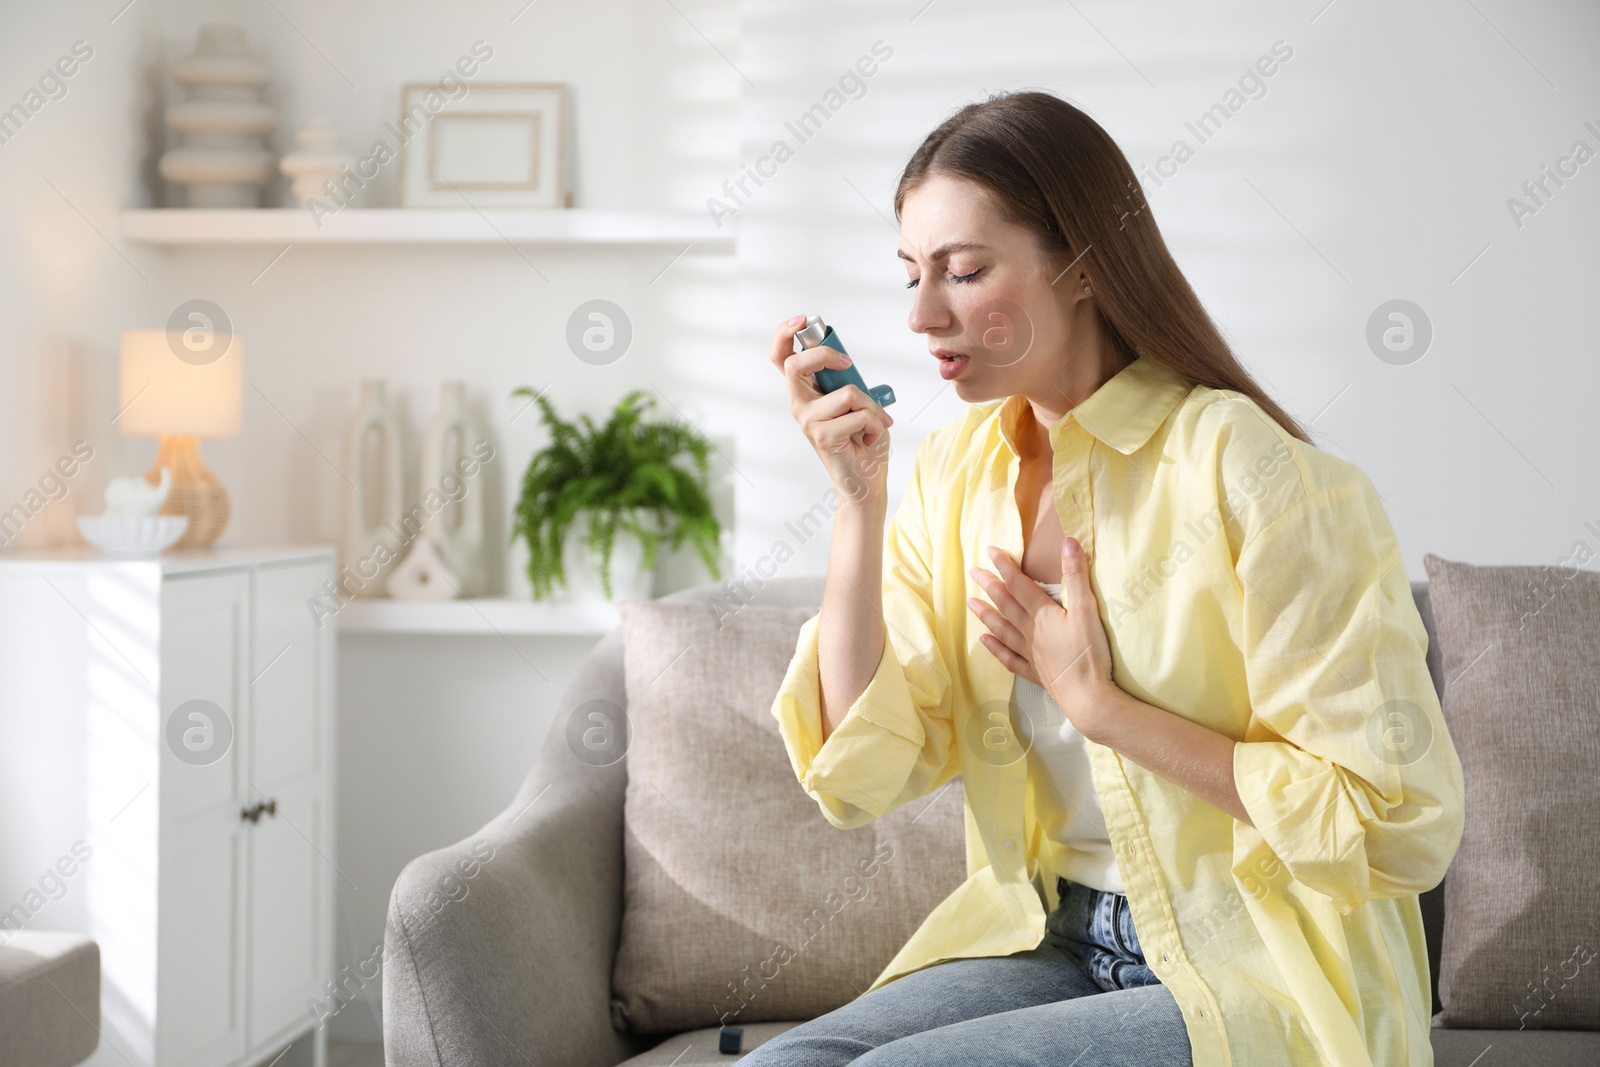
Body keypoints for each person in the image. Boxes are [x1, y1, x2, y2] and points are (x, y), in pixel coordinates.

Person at [754, 90, 1464, 1066]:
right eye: (912, 274)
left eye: (963, 271)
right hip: (1051, 937)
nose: (922, 314)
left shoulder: (1251, 472)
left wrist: (1104, 705)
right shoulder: (959, 473)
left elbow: (1395, 821)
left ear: (1081, 265)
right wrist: (856, 501)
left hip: (1258, 966)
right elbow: (864, 773)